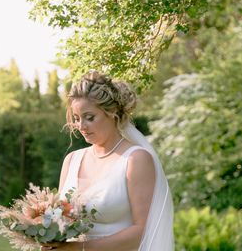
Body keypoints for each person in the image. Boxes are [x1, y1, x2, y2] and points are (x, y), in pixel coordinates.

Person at [41, 71, 174, 251]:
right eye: (76, 118)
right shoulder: (72, 160)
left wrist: (80, 248)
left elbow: (143, 231)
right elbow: (62, 220)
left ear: (111, 112)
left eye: (89, 117)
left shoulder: (135, 159)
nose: (81, 126)